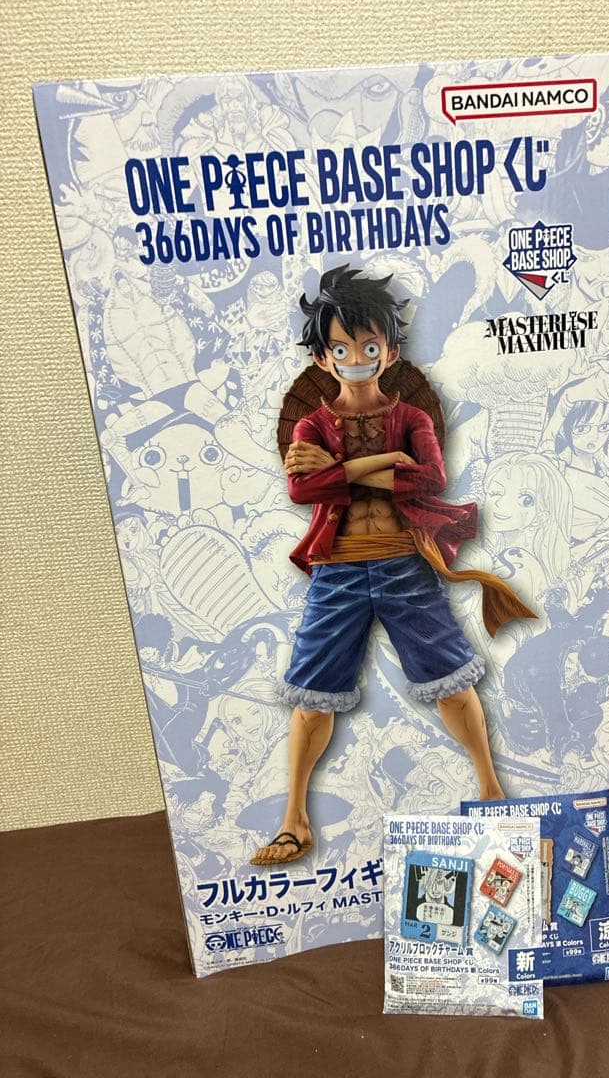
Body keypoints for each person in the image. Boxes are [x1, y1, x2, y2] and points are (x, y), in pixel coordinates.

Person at [251, 265, 535, 865]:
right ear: (323, 358)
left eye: (369, 346)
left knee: (453, 680)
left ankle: (492, 793)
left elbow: (431, 477)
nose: (356, 358)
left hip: (407, 564)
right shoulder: (311, 424)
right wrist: (376, 465)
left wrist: (339, 471)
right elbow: (303, 490)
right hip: (338, 570)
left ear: (390, 351)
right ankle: (295, 820)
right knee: (313, 695)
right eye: (341, 348)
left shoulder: (413, 418)